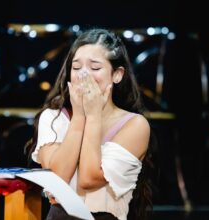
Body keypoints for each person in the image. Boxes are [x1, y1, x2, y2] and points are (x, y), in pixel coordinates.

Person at [25, 28, 155, 220]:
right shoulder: (53, 117)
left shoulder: (135, 125)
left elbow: (89, 178)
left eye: (95, 68)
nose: (83, 75)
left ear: (117, 74)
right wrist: (79, 118)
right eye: (76, 68)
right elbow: (57, 179)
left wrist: (92, 117)